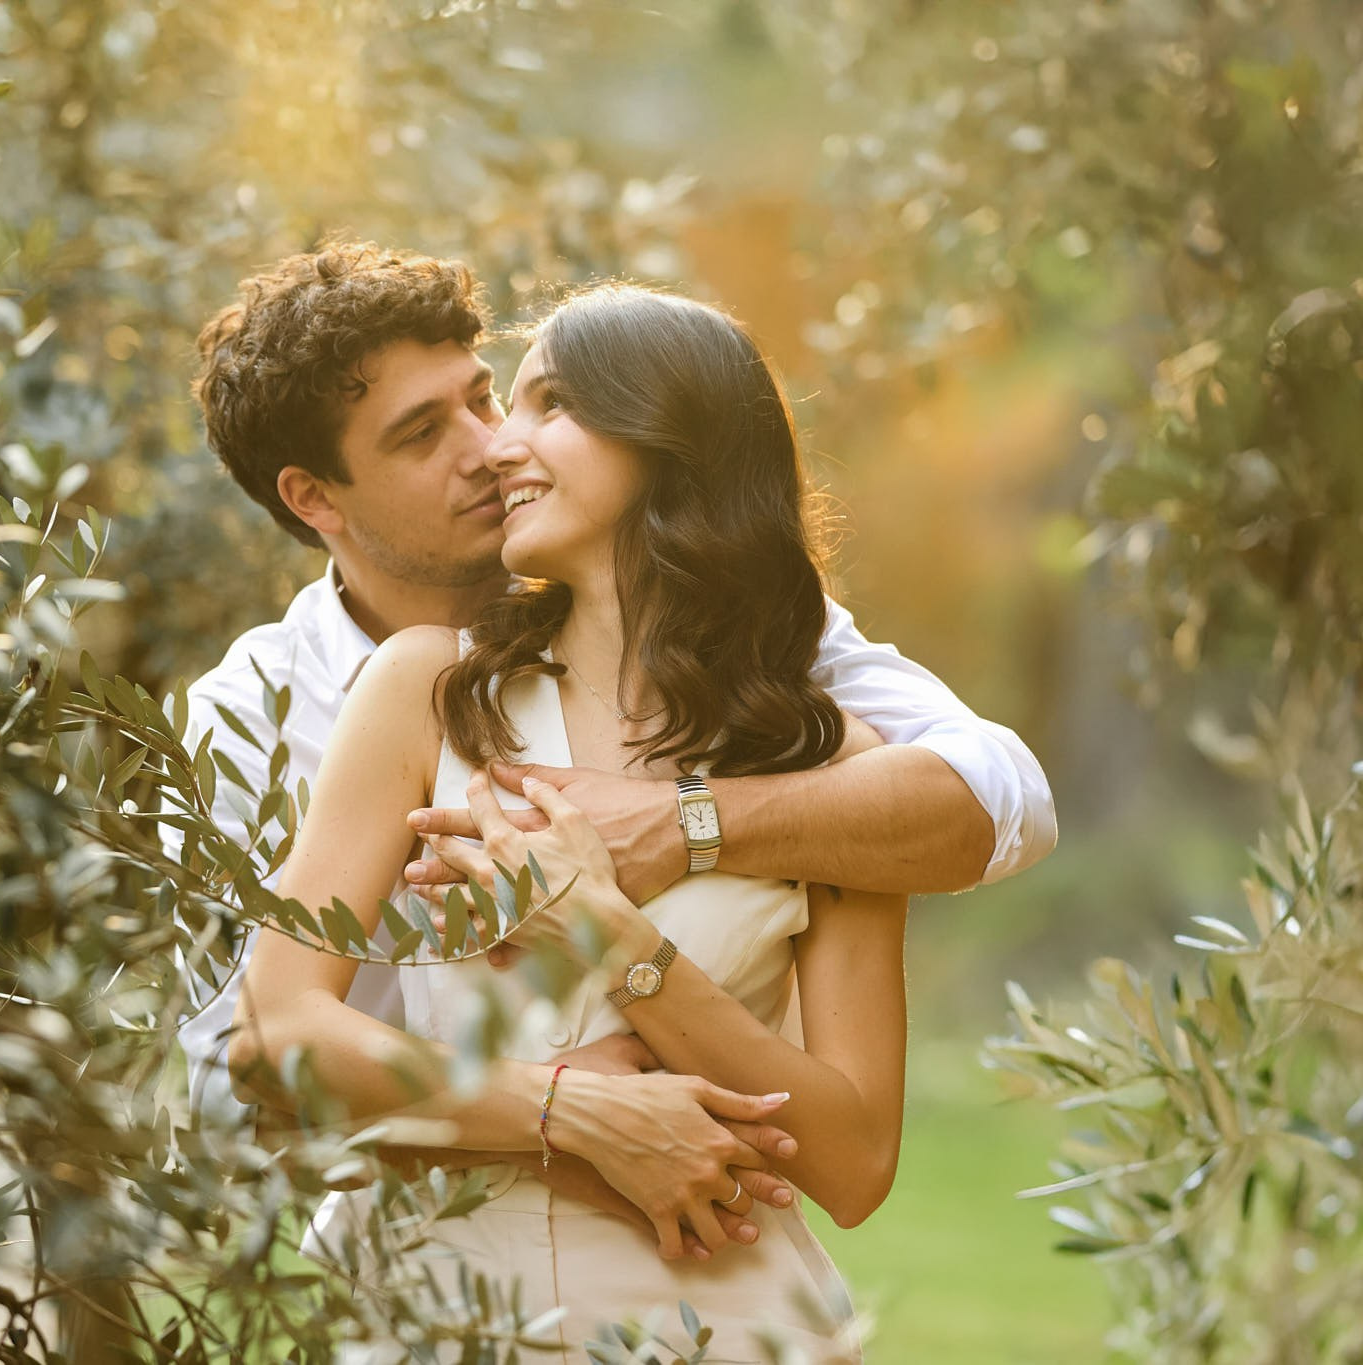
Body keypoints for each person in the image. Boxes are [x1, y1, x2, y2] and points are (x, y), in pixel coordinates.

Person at [173, 243, 1054, 1151]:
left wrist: (681, 822)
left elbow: (1003, 795)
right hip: (434, 1251)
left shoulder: (736, 642)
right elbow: (228, 1088)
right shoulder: (250, 720)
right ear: (313, 498)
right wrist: (546, 1107)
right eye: (422, 433)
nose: (490, 449)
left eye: (483, 397)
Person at [228, 281, 923, 1359]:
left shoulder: (827, 769)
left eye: (547, 404)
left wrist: (614, 940)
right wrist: (570, 1109)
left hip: (714, 1309)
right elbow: (279, 1033)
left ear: (669, 442)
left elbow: (853, 1162)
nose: (499, 443)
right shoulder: (422, 691)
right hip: (431, 1305)